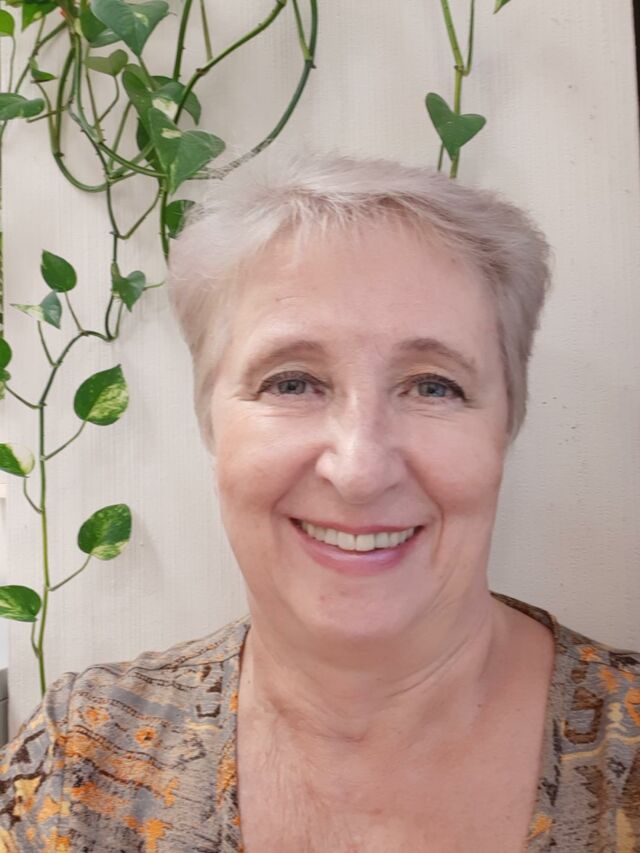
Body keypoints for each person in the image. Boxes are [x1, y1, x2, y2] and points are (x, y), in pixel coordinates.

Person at [0, 152, 638, 852]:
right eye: (292, 382)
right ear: (211, 421)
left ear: (506, 425)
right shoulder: (81, 761)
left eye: (433, 386)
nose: (360, 470)